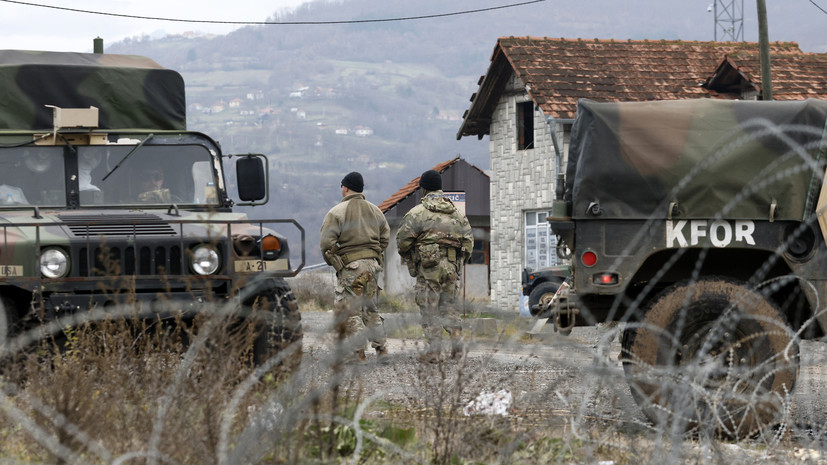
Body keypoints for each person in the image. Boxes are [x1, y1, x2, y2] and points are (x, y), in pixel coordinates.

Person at [397, 169, 473, 363]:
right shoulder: (457, 214)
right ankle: (457, 348)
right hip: (451, 267)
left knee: (430, 308)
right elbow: (468, 242)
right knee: (448, 306)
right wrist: (457, 262)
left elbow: (403, 242)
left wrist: (413, 254)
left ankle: (435, 353)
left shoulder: (417, 213)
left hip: (428, 268)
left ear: (423, 189)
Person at [320, 171, 390, 362]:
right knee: (370, 308)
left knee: (350, 310)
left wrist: (337, 263)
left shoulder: (337, 212)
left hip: (352, 267)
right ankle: (381, 349)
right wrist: (373, 255)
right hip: (373, 265)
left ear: (346, 188)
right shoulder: (376, 211)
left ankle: (358, 352)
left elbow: (327, 243)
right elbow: (385, 238)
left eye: (342, 186)